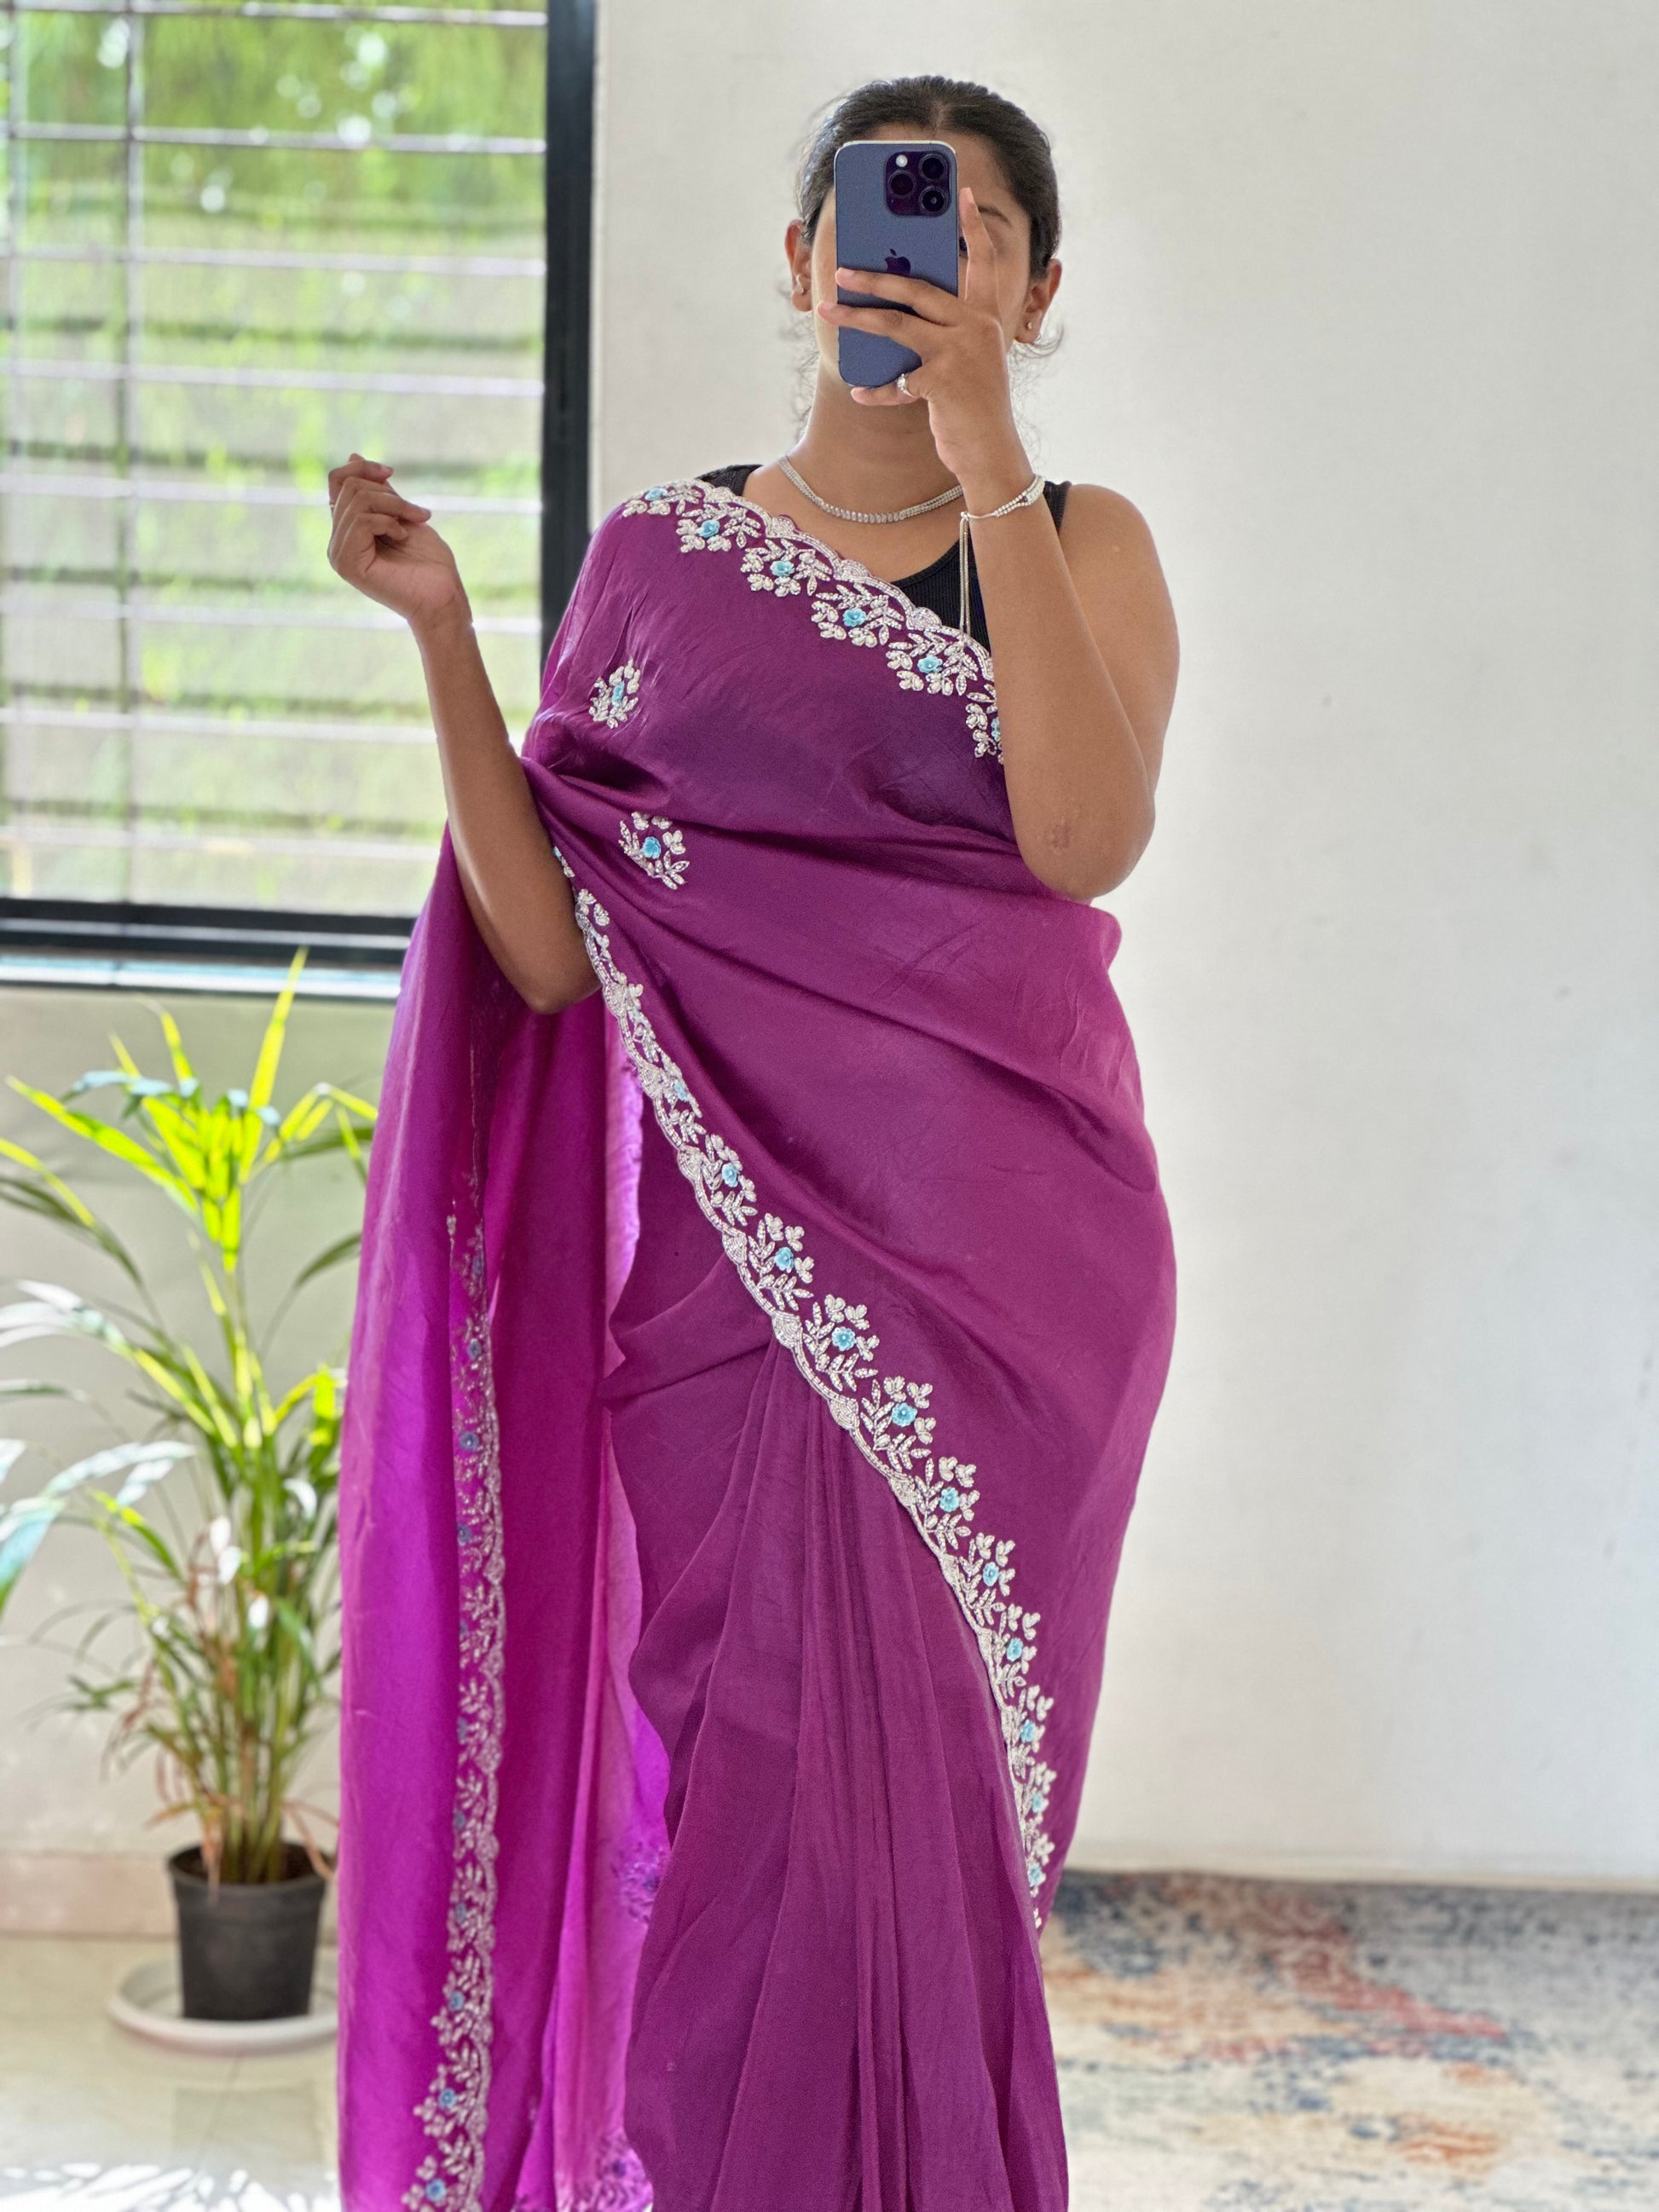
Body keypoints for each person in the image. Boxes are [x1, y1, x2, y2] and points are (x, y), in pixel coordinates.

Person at [329, 73, 1179, 2212]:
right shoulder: (660, 562)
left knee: (921, 1845)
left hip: (1002, 1281)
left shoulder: (1081, 543)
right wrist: (444, 635)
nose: (918, 257)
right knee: (745, 1796)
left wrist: (987, 466)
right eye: (883, 216)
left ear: (1034, 291)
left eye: (974, 229)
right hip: (732, 1287)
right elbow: (550, 955)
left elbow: (1083, 837)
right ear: (799, 260)